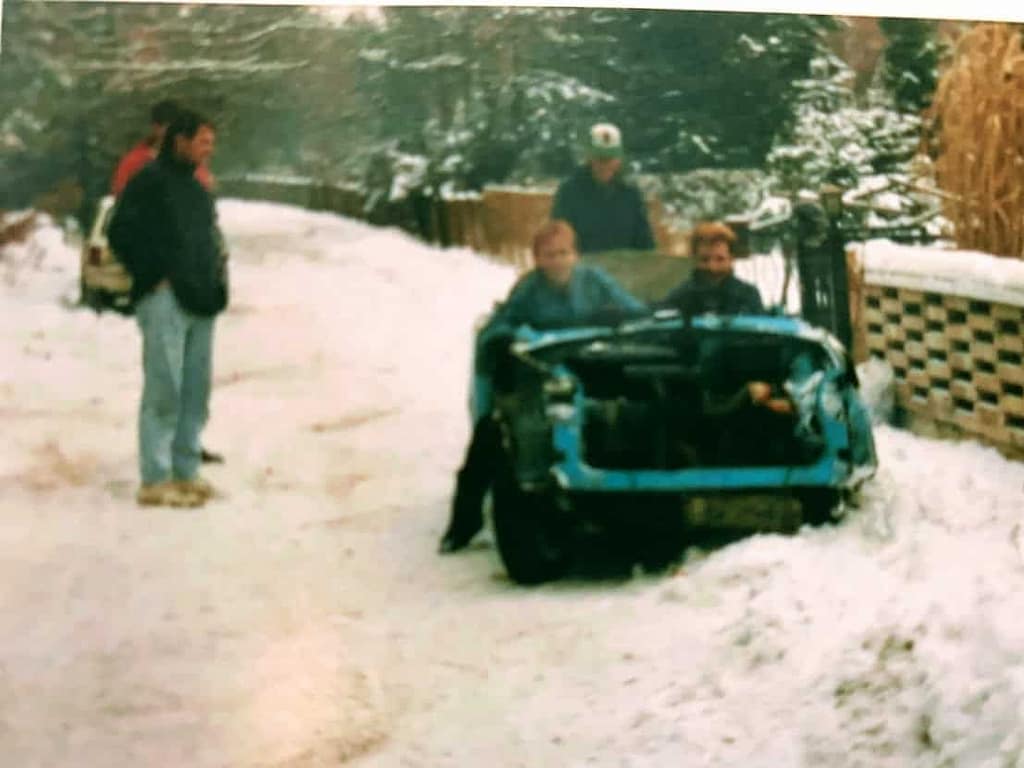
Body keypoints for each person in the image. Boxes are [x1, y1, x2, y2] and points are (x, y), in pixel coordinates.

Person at [439, 220, 647, 553]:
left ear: (575, 254)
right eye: (549, 255)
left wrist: (617, 317)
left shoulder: (594, 281)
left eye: (564, 253)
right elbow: (500, 326)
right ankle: (465, 522)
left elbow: (638, 313)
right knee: (494, 432)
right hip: (543, 371)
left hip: (593, 365)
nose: (558, 261)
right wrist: (517, 335)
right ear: (537, 259)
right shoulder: (529, 290)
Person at [108, 109, 228, 508]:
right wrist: (153, 274)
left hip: (202, 298)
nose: (209, 149)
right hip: (165, 299)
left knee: (196, 389)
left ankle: (186, 468)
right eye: (203, 141)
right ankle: (155, 477)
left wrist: (218, 280)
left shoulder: (196, 188)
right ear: (180, 140)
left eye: (211, 142)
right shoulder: (148, 182)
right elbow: (119, 232)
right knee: (165, 387)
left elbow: (208, 238)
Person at [550, 122, 656, 255]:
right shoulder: (569, 192)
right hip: (582, 270)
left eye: (610, 158)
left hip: (625, 270)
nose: (605, 165)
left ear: (619, 159)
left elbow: (645, 242)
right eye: (600, 159)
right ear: (590, 158)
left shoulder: (631, 193)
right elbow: (558, 241)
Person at [659, 221, 765, 317]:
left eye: (720, 259)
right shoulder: (681, 296)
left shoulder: (748, 295)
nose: (712, 267)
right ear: (695, 259)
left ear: (731, 259)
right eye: (705, 259)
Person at [111, 99, 214, 197]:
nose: (175, 134)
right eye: (170, 128)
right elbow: (121, 195)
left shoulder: (190, 161)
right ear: (156, 128)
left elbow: (205, 190)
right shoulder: (134, 161)